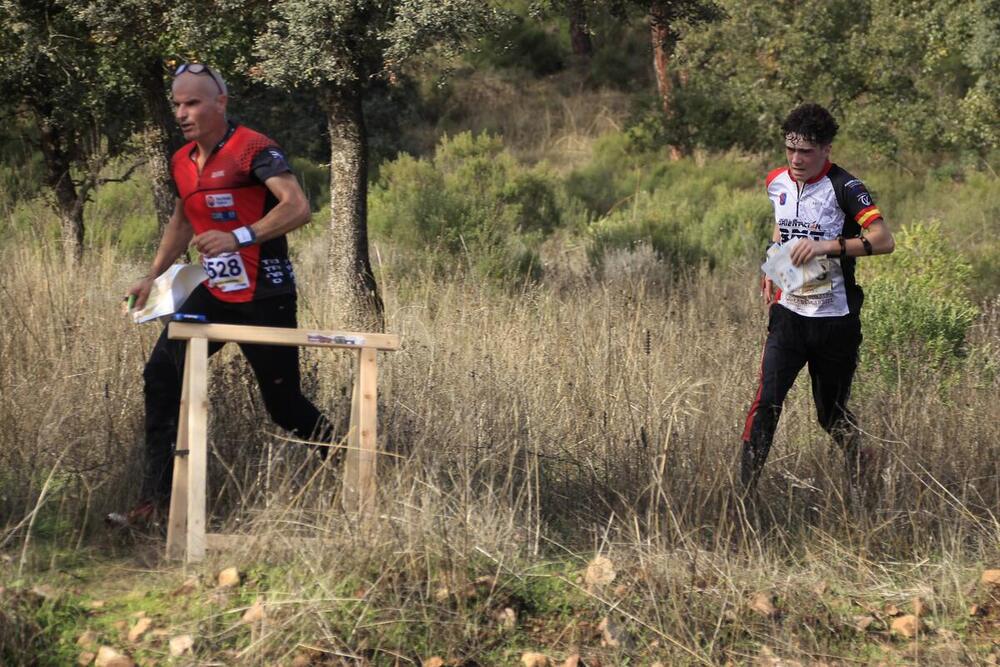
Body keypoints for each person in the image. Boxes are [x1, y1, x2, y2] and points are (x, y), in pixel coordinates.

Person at [109, 63, 334, 528]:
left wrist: (241, 236)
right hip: (214, 293)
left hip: (265, 296)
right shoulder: (180, 161)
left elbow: (298, 207)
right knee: (161, 377)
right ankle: (155, 504)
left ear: (220, 103)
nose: (182, 113)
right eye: (177, 104)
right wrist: (152, 277)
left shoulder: (254, 148)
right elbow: (182, 222)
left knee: (285, 406)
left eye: (192, 103)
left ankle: (351, 463)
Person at [739, 103, 894, 503]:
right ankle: (741, 499)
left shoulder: (846, 187)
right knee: (766, 402)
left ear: (826, 149)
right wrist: (772, 267)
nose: (795, 159)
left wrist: (827, 247)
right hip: (789, 315)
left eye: (805, 151)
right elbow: (782, 226)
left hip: (835, 321)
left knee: (830, 415)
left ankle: (862, 460)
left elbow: (882, 240)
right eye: (790, 149)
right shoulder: (777, 181)